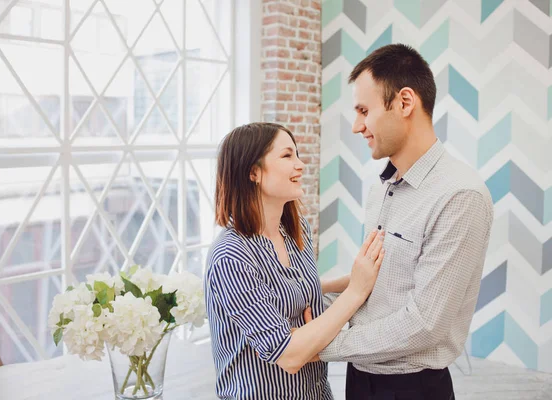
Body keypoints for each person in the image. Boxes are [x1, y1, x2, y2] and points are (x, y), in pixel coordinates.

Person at [316, 44, 494, 400]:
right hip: (359, 376)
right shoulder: (381, 189)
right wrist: (315, 289)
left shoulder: (460, 196)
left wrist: (319, 345)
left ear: (405, 102)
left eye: (364, 110)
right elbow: (385, 280)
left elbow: (424, 324)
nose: (356, 126)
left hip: (411, 388)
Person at [204, 122, 385, 399]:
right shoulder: (231, 256)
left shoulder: (295, 229)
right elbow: (289, 355)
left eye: (297, 154)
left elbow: (289, 290)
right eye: (287, 156)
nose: (300, 165)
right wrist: (355, 292)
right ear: (253, 172)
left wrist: (358, 278)